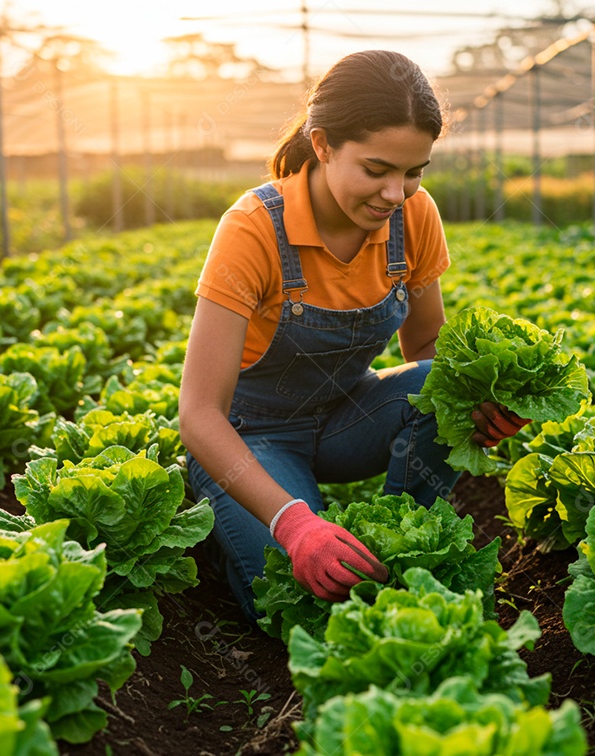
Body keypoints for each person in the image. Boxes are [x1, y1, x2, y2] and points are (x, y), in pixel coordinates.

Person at [178, 50, 529, 624]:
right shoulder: (252, 229)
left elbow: (427, 353)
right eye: (376, 169)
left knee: (444, 391)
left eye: (414, 171)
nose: (397, 192)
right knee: (307, 605)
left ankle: (401, 545)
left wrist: (480, 405)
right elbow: (198, 414)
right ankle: (243, 526)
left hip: (345, 418)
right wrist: (294, 524)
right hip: (254, 439)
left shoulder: (414, 217)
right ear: (322, 145)